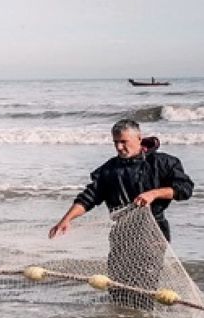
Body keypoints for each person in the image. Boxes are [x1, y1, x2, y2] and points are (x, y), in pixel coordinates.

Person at [49, 118, 194, 307]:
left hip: (153, 234)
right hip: (121, 233)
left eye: (123, 141)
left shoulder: (163, 162)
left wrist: (154, 193)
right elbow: (89, 197)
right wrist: (66, 220)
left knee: (143, 287)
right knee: (118, 288)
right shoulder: (109, 169)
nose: (118, 147)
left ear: (139, 138)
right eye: (115, 142)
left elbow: (185, 189)